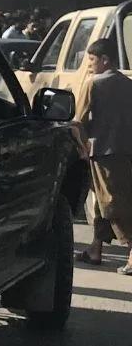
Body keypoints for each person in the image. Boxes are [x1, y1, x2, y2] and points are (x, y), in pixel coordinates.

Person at [75, 38, 132, 275]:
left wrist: (80, 147)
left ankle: (131, 250)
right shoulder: (127, 83)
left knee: (112, 203)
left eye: (91, 60)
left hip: (103, 152)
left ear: (105, 60)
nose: (89, 65)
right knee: (100, 201)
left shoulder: (93, 84)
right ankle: (95, 248)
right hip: (126, 149)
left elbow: (78, 121)